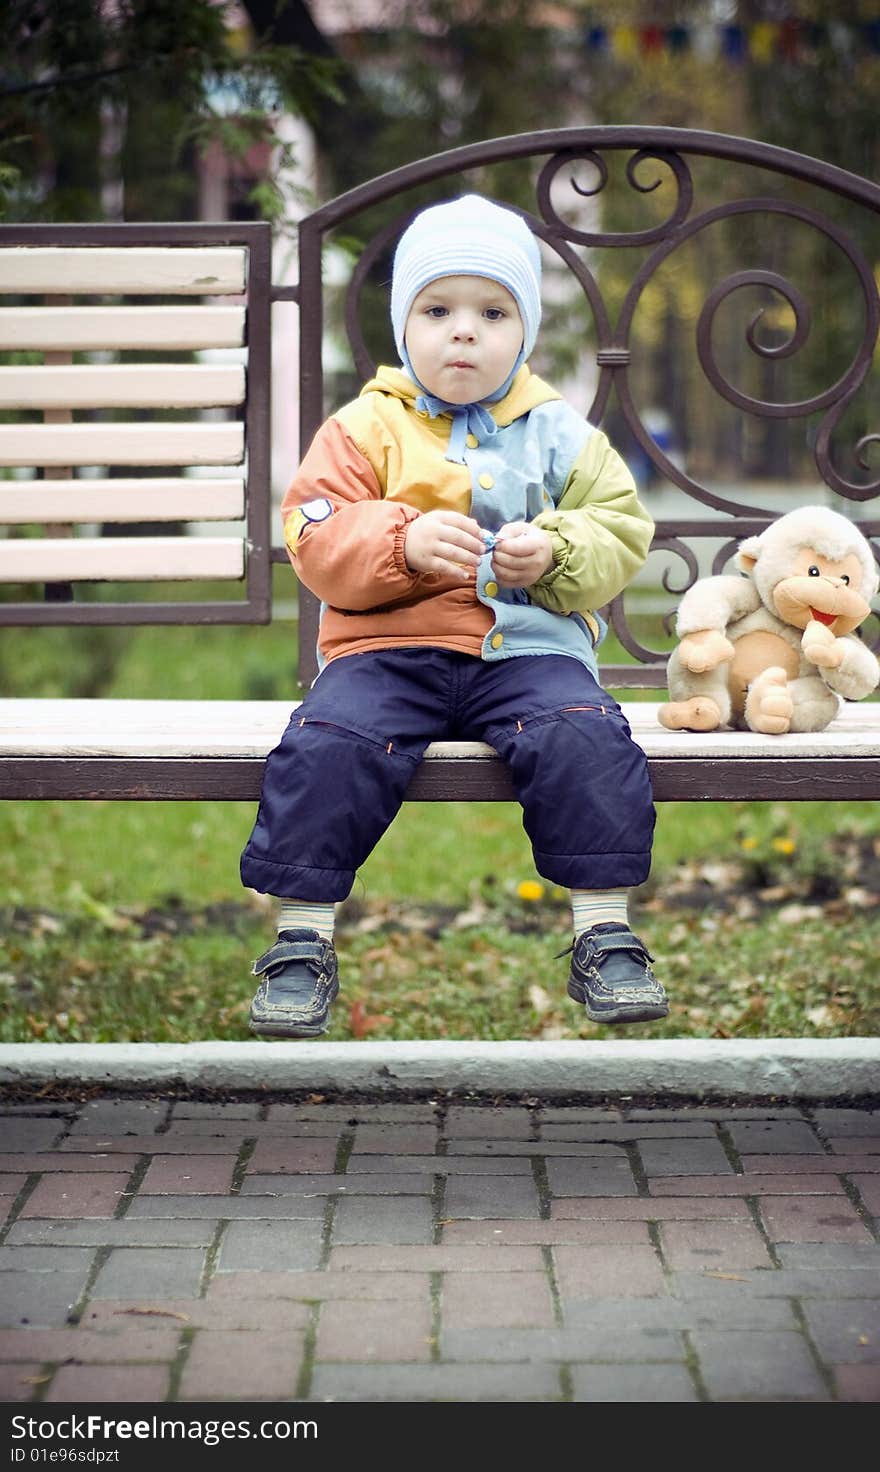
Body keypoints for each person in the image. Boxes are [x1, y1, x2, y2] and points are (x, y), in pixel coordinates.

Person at [240, 193, 667, 1037]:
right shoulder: (365, 426)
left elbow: (620, 525)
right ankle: (300, 945)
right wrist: (398, 541)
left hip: (529, 652)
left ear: (525, 331)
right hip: (386, 650)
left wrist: (555, 551)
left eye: (492, 312)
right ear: (406, 325)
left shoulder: (557, 432)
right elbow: (314, 527)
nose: (462, 332)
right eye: (437, 310)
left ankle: (604, 933)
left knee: (584, 731)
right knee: (330, 742)